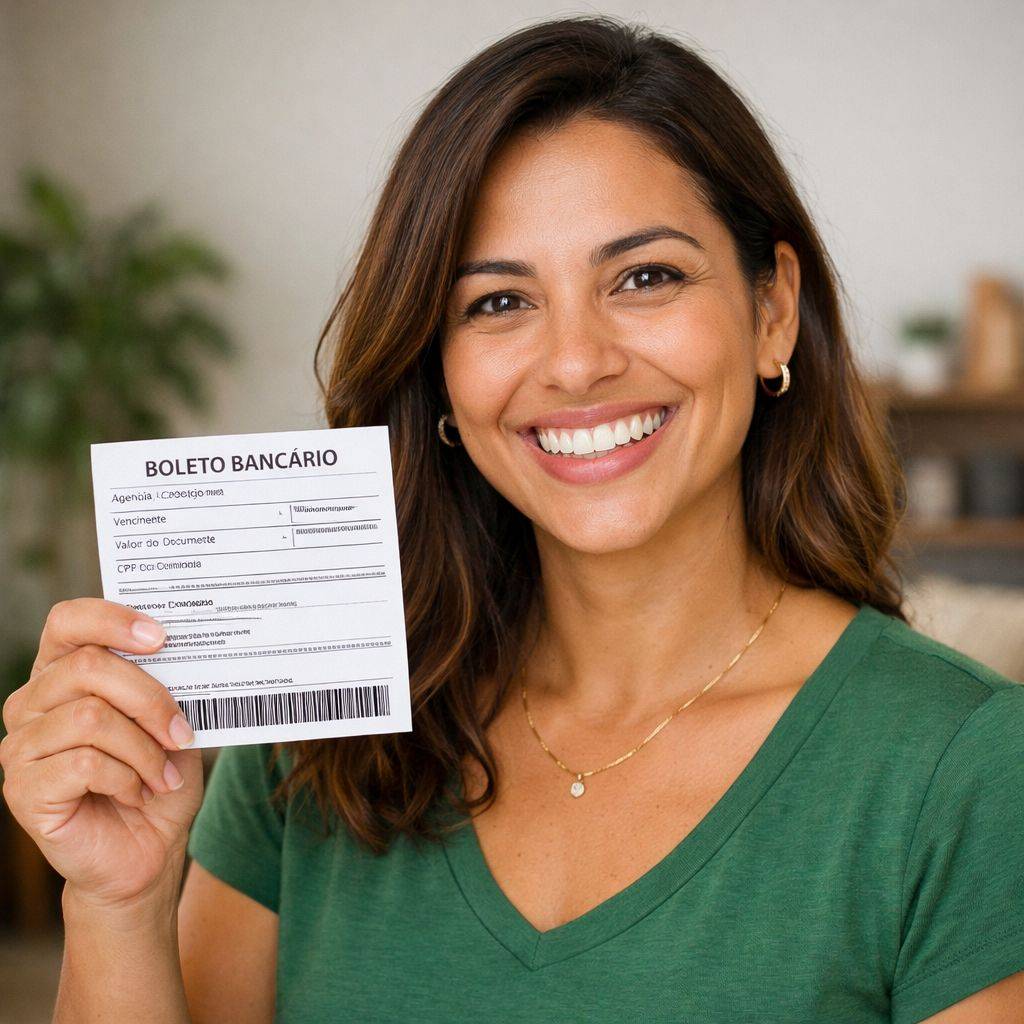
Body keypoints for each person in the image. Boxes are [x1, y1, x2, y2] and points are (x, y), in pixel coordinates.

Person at [2, 14, 1023, 1024]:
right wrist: (118, 902)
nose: (575, 363)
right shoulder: (316, 741)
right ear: (439, 368)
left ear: (772, 312)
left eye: (645, 277)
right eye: (497, 302)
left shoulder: (963, 765)